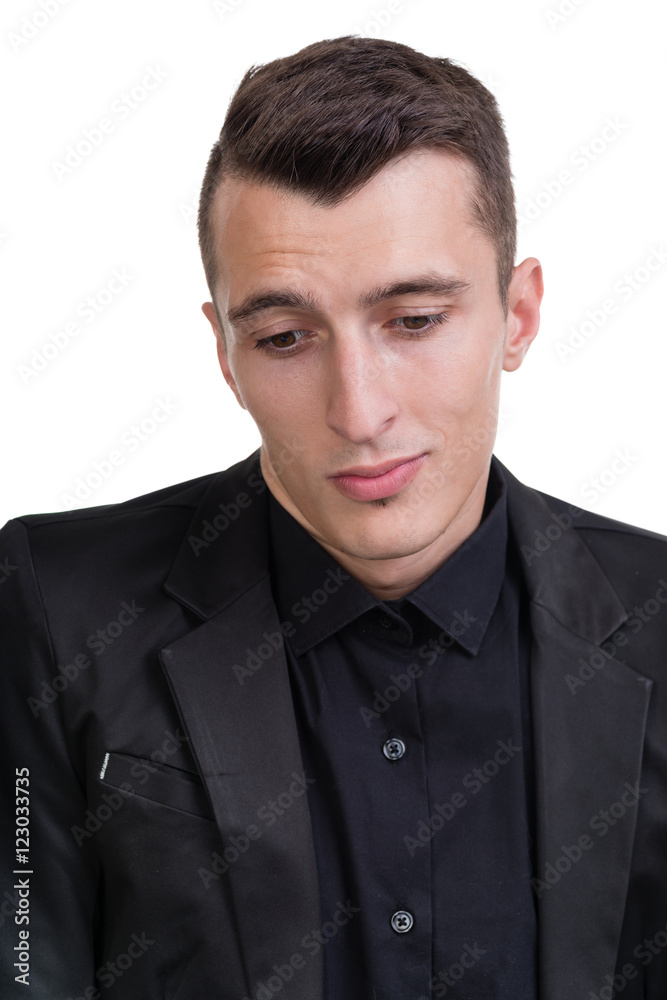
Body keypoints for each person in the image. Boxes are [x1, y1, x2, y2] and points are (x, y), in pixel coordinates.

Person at [1, 34, 666, 1000]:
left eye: (414, 320)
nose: (358, 412)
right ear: (225, 355)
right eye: (284, 337)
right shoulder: (50, 604)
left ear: (517, 316)